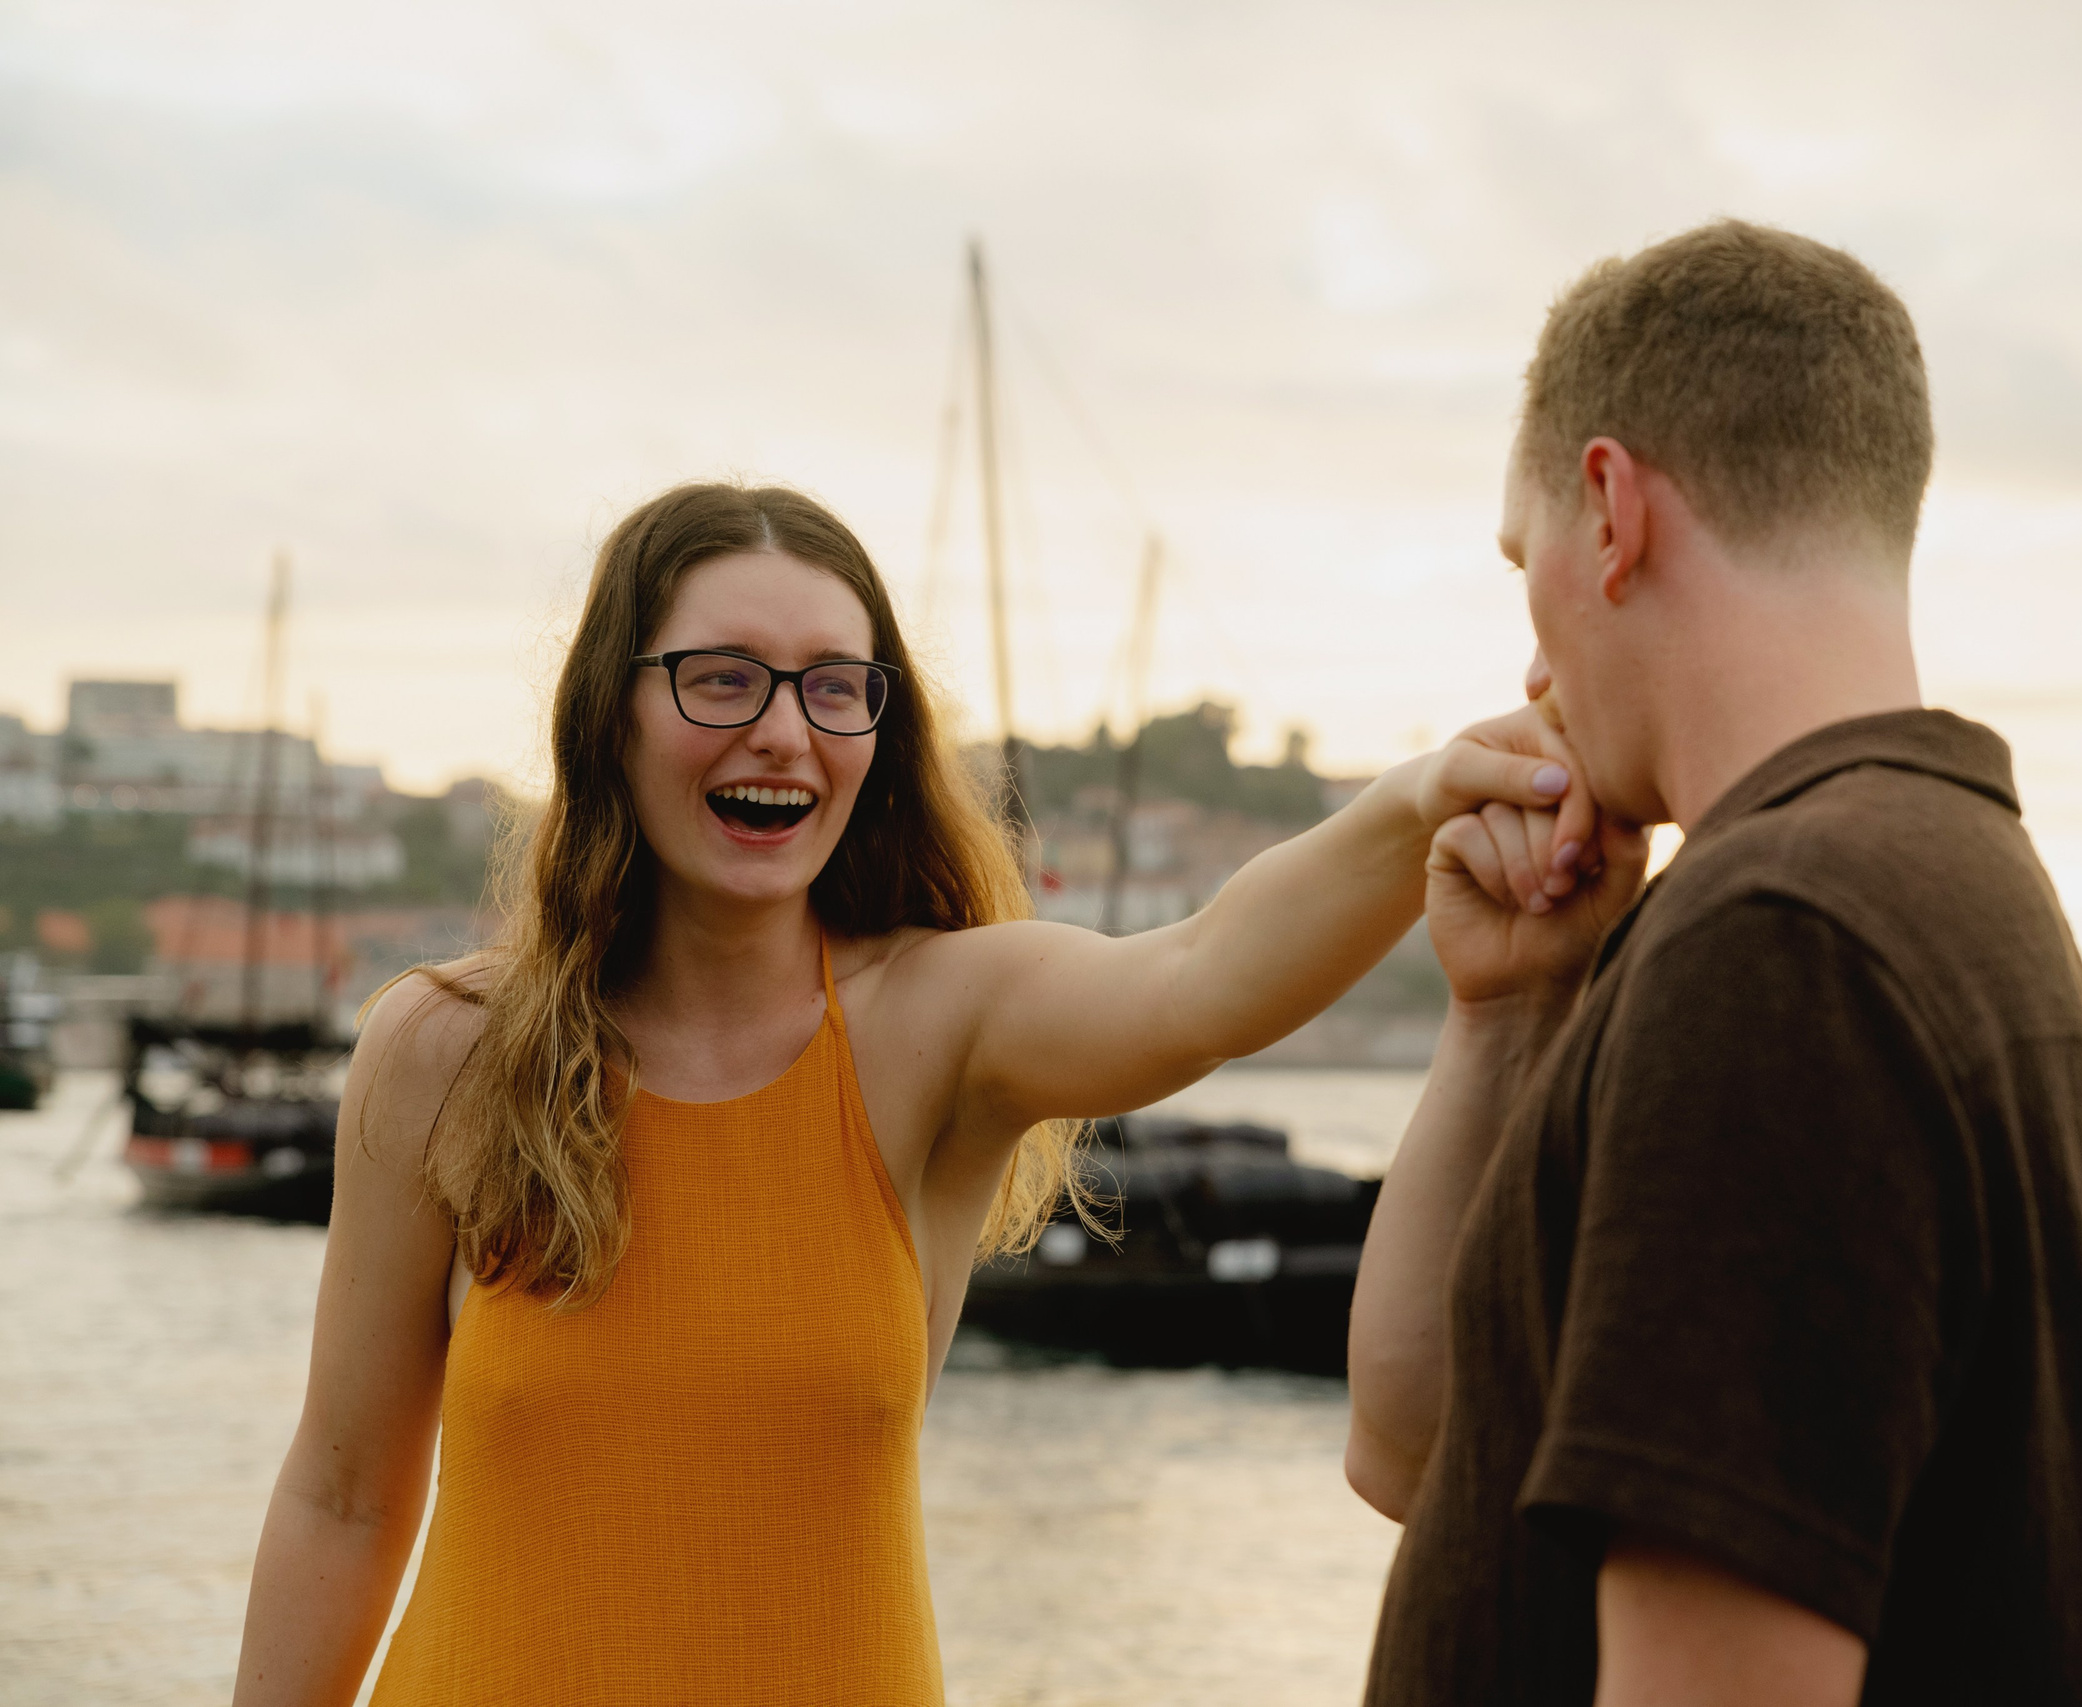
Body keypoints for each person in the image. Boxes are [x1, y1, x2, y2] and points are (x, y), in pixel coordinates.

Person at [230, 481, 1593, 1706]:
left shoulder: (934, 1028)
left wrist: (1429, 796)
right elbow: (344, 1502)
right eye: (723, 680)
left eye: (836, 687)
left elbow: (1203, 977)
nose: (784, 733)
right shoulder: (444, 1053)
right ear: (613, 710)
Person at [1345, 221, 2082, 1705]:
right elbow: (1424, 1453)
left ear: (1611, 513)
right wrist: (1510, 1017)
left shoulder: (1781, 951)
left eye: (1520, 560)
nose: (1532, 670)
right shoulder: (1960, 886)